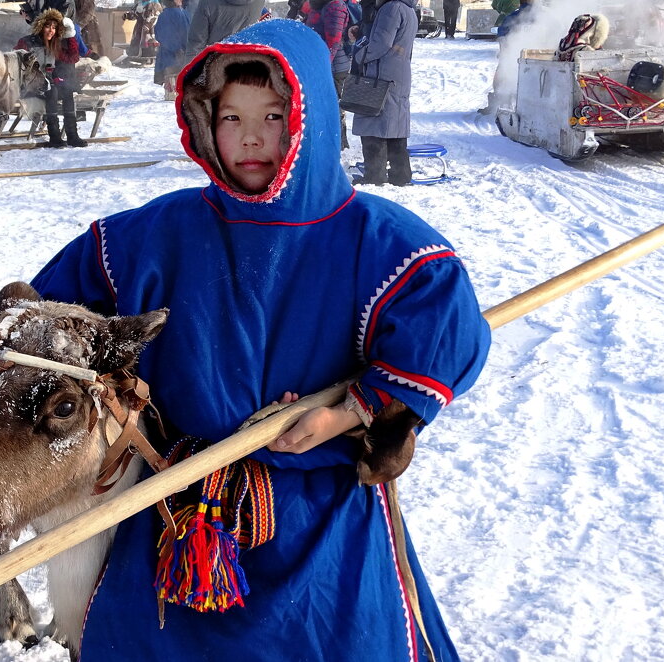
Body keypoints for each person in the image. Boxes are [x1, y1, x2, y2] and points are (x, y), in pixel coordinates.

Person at [29, 18, 490, 661]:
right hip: (179, 510)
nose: (250, 137)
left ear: (312, 118)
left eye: (274, 116)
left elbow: (443, 325)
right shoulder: (156, 236)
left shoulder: (375, 241)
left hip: (320, 519)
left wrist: (350, 413)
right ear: (201, 121)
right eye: (230, 116)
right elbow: (53, 307)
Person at [351, 0, 416, 186]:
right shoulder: (407, 8)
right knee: (395, 125)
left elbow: (381, 43)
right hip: (399, 72)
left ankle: (374, 176)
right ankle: (400, 175)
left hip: (383, 74)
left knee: (373, 124)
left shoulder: (391, 8)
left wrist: (359, 55)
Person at [17, 9, 89, 148]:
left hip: (47, 83)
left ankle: (72, 135)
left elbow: (69, 59)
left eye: (54, 28)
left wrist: (71, 35)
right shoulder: (28, 42)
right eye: (48, 26)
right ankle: (54, 135)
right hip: (30, 85)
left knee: (67, 92)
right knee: (53, 91)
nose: (51, 30)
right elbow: (19, 63)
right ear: (41, 26)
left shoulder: (54, 44)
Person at [304, 0, 353, 150]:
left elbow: (334, 41)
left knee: (333, 105)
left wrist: (323, 66)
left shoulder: (335, 5)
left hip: (334, 66)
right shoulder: (318, 4)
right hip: (321, 63)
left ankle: (336, 143)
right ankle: (328, 141)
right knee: (323, 104)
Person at [184, 0, 266, 61]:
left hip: (217, 67)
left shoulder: (208, 2)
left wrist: (188, 77)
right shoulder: (259, 2)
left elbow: (196, 44)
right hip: (249, 65)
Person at [154, 0, 191, 100]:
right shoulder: (184, 14)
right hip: (182, 53)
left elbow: (158, 34)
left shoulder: (163, 15)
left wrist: (172, 47)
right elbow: (188, 34)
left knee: (170, 76)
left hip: (167, 54)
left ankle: (171, 94)